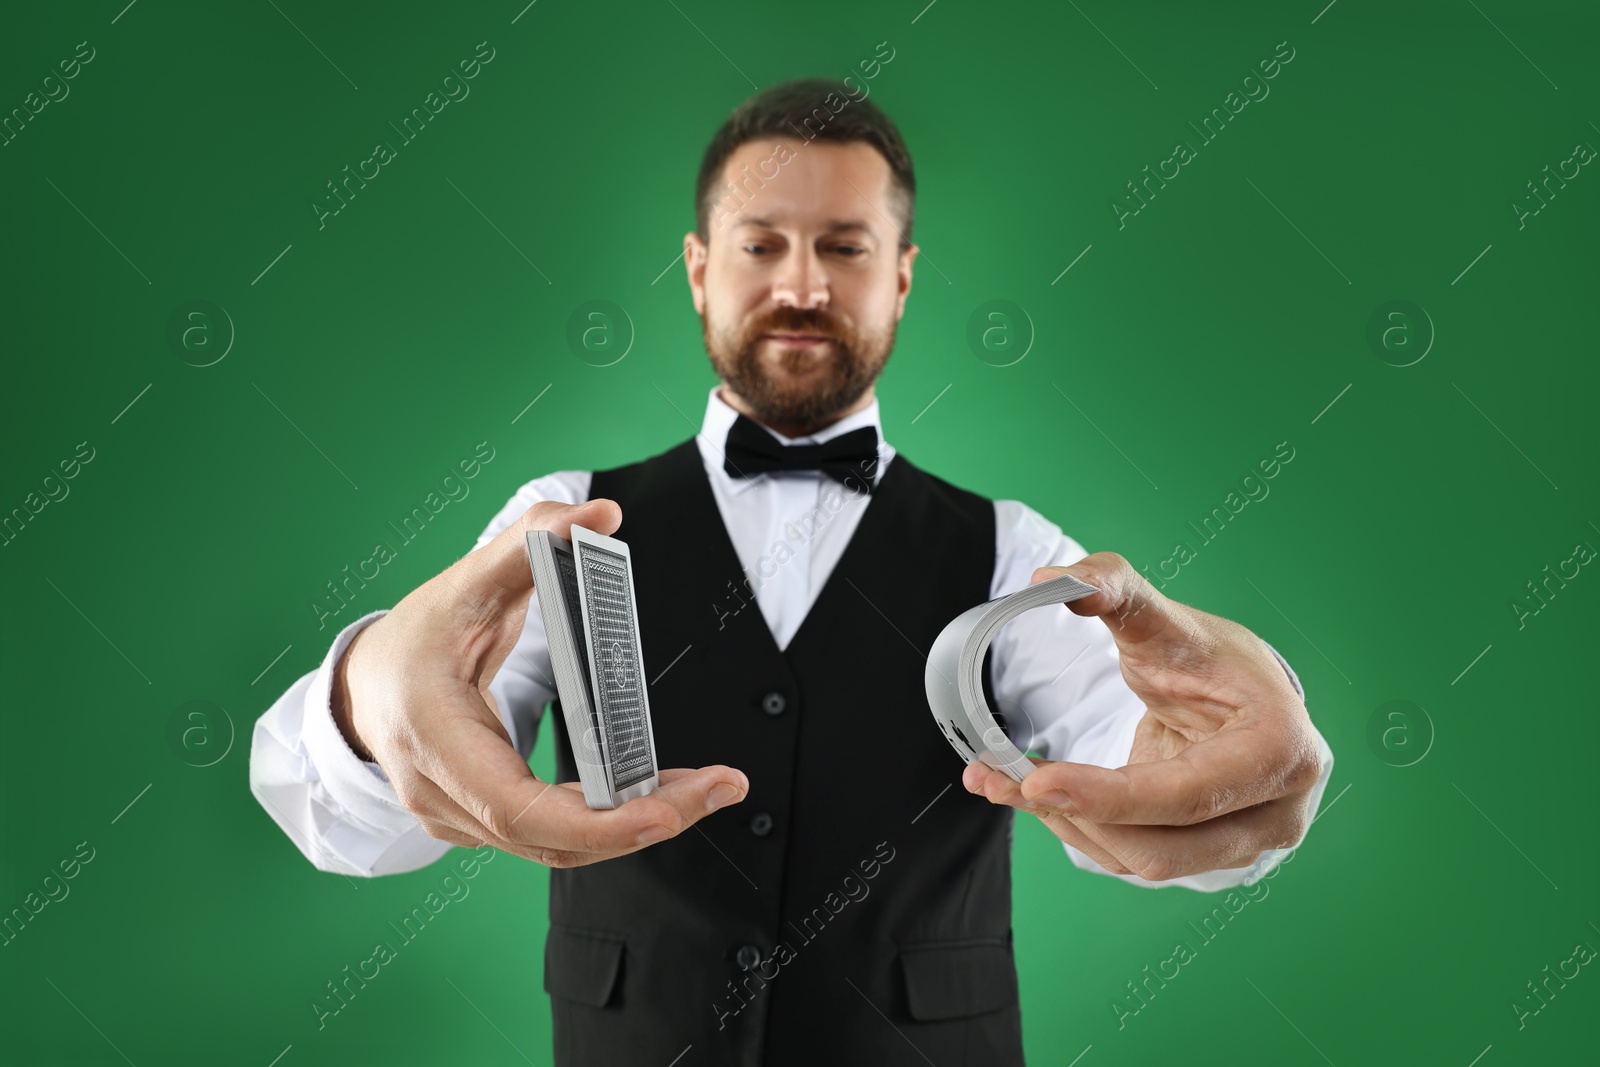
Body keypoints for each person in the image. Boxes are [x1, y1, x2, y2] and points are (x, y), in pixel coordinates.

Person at [249, 77, 1334, 1066]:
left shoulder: (1013, 547)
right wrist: (366, 695)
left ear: (903, 278)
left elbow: (1142, 759)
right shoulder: (561, 515)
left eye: (846, 247)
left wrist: (1221, 754)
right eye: (761, 243)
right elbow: (355, 815)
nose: (802, 283)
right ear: (697, 268)